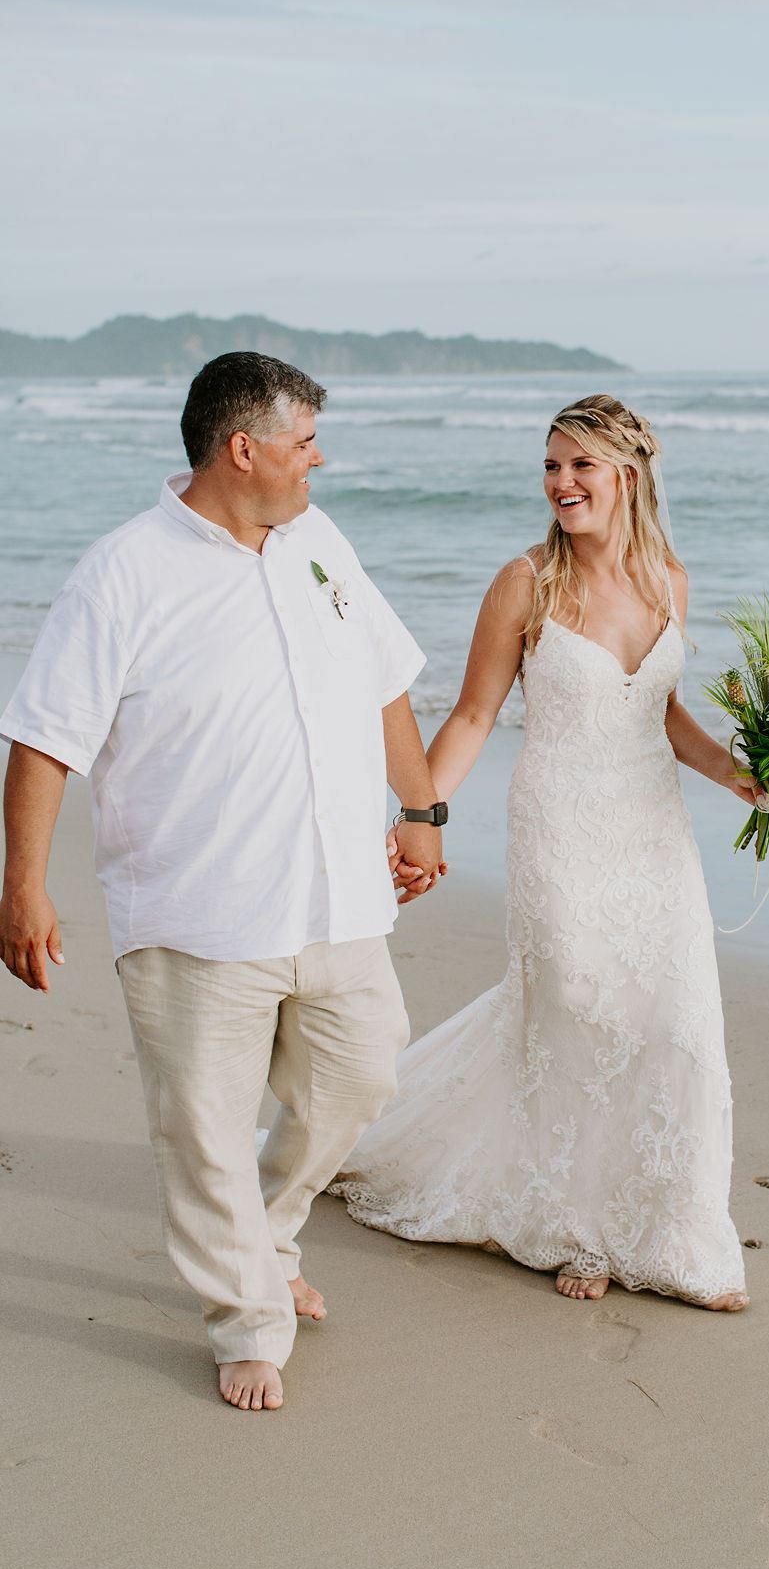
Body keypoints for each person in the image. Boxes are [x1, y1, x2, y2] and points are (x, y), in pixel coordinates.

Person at [0, 352, 445, 1410]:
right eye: (303, 442)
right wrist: (22, 886)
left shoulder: (319, 541)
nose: (318, 460)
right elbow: (43, 741)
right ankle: (248, 1315)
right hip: (198, 911)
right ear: (242, 449)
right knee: (202, 1127)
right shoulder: (123, 572)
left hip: (338, 894)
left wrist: (419, 812)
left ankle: (268, 1234)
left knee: (363, 1077)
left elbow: (386, 682)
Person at [334, 394, 769, 1309]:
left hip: (652, 830)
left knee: (673, 1016)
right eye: (551, 465)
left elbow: (660, 716)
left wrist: (738, 775)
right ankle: (574, 1228)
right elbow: (472, 715)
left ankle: (672, 1233)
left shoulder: (669, 580)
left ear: (629, 474)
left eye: (581, 465)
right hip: (560, 825)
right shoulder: (525, 582)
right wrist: (421, 810)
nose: (562, 483)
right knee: (575, 1005)